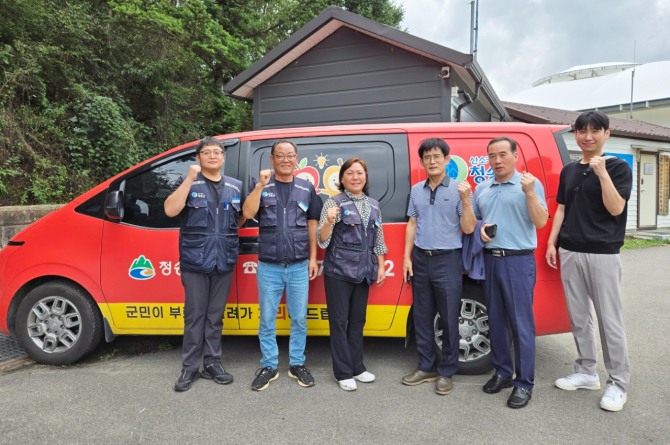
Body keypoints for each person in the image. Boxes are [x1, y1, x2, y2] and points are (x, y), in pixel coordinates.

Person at [546, 111, 632, 412]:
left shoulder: (618, 167)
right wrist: (552, 242)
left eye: (595, 131)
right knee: (579, 316)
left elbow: (616, 208)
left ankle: (618, 383)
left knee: (610, 320)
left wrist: (602, 173)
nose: (588, 136)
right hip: (570, 250)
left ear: (607, 134)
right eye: (582, 131)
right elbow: (561, 208)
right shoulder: (569, 170)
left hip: (603, 252)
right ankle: (586, 372)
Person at [164, 136, 244, 392]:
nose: (212, 156)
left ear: (223, 157)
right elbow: (170, 210)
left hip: (224, 260)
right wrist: (189, 178)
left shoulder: (235, 186)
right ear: (198, 157)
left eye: (217, 152)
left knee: (214, 317)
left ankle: (212, 362)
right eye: (207, 152)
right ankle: (189, 367)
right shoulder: (188, 181)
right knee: (195, 316)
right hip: (195, 261)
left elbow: (239, 219)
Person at [474, 136, 548, 409]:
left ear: (516, 156)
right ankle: (503, 372)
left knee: (521, 324)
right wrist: (481, 228)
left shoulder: (529, 183)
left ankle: (524, 383)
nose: (497, 160)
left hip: (518, 261)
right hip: (490, 260)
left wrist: (529, 193)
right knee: (495, 321)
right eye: (492, 156)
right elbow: (475, 221)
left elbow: (541, 221)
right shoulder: (482, 188)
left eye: (503, 154)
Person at [242, 140, 323, 391]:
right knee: (267, 319)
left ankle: (297, 364)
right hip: (269, 266)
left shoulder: (306, 188)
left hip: (298, 265)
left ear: (296, 158)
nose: (285, 160)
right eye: (280, 155)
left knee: (299, 318)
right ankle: (269, 365)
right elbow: (247, 213)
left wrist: (312, 258)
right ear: (272, 159)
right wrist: (259, 186)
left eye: (290, 155)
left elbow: (312, 225)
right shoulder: (262, 186)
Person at [401, 138, 476, 396]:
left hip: (448, 259)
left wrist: (466, 200)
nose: (432, 161)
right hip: (421, 258)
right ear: (422, 161)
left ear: (447, 159)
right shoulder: (416, 190)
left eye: (436, 156)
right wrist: (407, 258)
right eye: (427, 157)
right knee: (422, 316)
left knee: (448, 317)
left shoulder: (460, 189)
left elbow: (468, 227)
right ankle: (426, 367)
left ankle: (446, 371)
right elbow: (412, 223)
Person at [317, 157, 388, 391]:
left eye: (359, 173)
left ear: (365, 177)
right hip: (338, 270)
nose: (355, 177)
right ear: (342, 178)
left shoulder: (374, 204)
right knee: (339, 321)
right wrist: (328, 221)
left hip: (364, 270)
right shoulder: (334, 202)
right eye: (350, 173)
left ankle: (358, 367)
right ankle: (343, 372)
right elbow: (322, 240)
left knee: (358, 320)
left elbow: (378, 238)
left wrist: (380, 265)